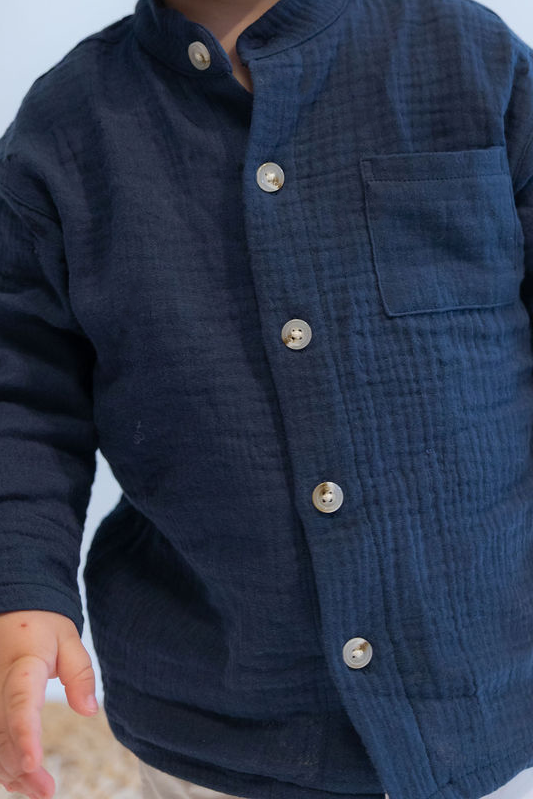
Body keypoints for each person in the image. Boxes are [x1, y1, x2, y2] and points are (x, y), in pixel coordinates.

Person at [1, 0, 533, 798]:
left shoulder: (470, 57)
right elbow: (21, 393)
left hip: (493, 694)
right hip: (213, 721)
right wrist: (24, 590)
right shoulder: (66, 127)